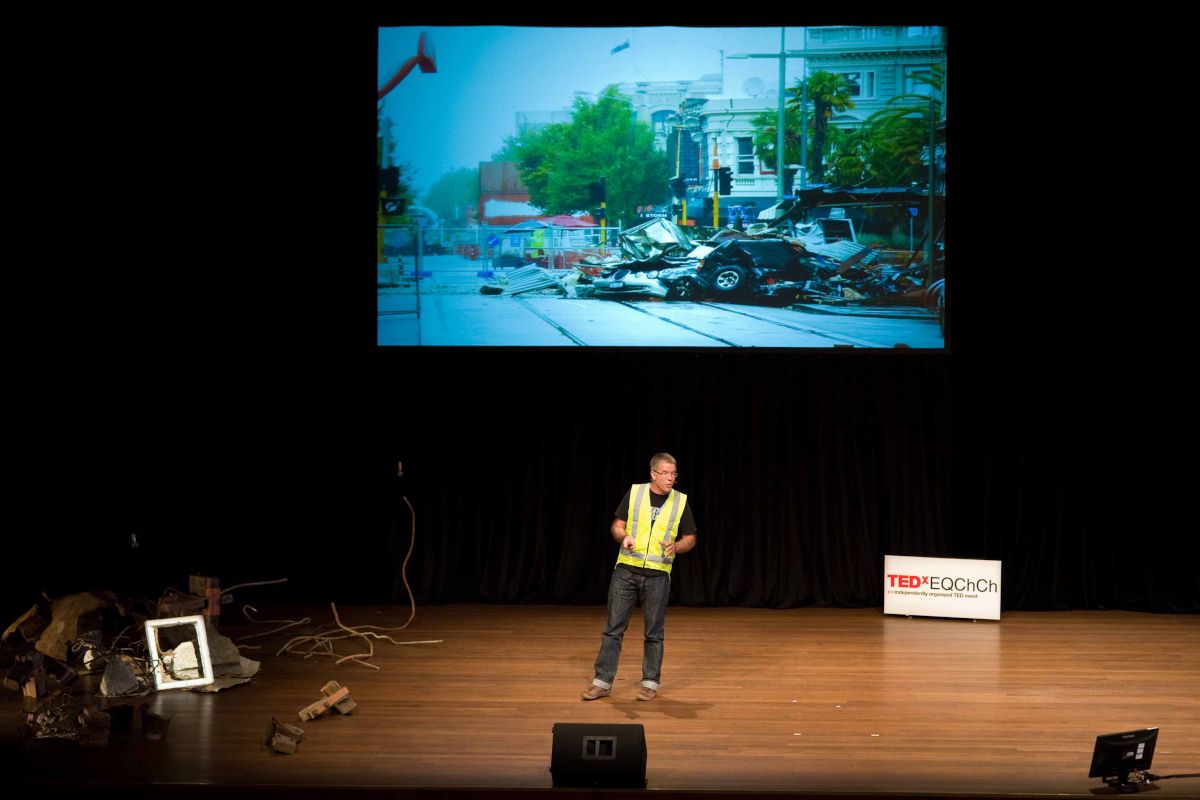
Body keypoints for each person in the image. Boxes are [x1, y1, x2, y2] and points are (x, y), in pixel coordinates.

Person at [581, 453, 697, 702]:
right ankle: (601, 682)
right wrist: (624, 537)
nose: (670, 478)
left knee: (654, 632)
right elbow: (617, 525)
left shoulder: (680, 501)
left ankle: (650, 684)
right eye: (665, 473)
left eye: (673, 474)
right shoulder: (635, 493)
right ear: (653, 474)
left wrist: (676, 547)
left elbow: (690, 537)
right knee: (613, 629)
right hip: (626, 570)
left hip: (658, 575)